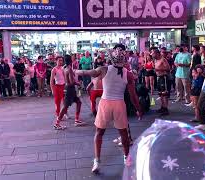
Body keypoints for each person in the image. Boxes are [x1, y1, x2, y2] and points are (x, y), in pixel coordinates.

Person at [75, 44, 143, 173]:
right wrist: (138, 109)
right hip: (119, 104)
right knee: (123, 134)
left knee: (99, 133)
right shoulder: (127, 74)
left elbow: (88, 72)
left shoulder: (103, 69)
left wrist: (75, 71)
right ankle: (126, 157)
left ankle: (97, 162)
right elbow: (133, 95)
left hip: (105, 103)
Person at [53, 55, 85, 130]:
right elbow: (71, 82)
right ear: (70, 60)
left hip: (68, 88)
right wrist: (78, 83)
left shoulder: (64, 68)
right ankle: (57, 123)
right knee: (65, 106)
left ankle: (76, 119)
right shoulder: (69, 69)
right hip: (70, 89)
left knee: (78, 102)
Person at [153, 49, 171, 116]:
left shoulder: (163, 60)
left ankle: (166, 109)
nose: (152, 55)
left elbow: (168, 68)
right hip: (159, 77)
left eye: (153, 53)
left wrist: (159, 69)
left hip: (164, 77)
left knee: (164, 93)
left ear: (157, 54)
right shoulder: (155, 60)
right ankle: (162, 107)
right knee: (160, 93)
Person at [50, 56, 66, 121]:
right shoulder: (54, 69)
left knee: (65, 101)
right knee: (57, 102)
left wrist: (66, 86)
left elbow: (65, 78)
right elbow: (51, 81)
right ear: (56, 61)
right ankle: (58, 114)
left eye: (61, 60)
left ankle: (65, 112)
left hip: (63, 86)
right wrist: (52, 89)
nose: (60, 62)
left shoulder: (63, 68)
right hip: (57, 87)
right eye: (59, 60)